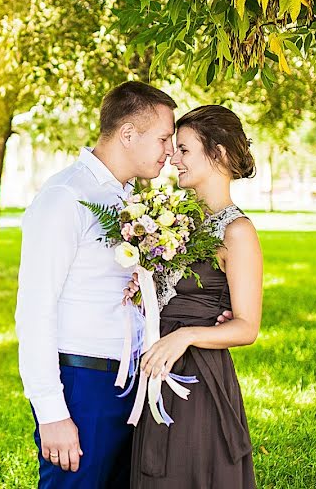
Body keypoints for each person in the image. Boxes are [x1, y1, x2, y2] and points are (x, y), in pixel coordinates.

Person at [16, 81, 231, 488]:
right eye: (165, 139)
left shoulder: (128, 198)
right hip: (83, 384)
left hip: (133, 384)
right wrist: (52, 413)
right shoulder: (66, 197)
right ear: (128, 134)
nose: (170, 152)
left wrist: (202, 315)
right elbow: (34, 310)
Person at [126, 104, 263, 488]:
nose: (172, 158)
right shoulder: (183, 222)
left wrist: (186, 335)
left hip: (196, 379)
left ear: (217, 153)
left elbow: (247, 327)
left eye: (184, 149)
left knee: (185, 472)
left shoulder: (237, 232)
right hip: (156, 364)